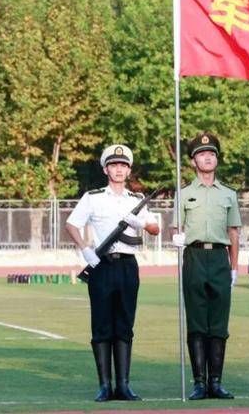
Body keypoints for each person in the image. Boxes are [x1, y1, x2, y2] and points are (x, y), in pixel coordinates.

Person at [65, 144, 161, 402]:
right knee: (102, 325)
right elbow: (72, 224)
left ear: (128, 170)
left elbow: (154, 229)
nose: (119, 170)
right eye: (114, 165)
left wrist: (140, 222)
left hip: (128, 266)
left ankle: (124, 386)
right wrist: (86, 251)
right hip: (102, 266)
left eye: (123, 166)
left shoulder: (137, 201)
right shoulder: (93, 197)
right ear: (106, 169)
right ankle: (104, 386)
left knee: (125, 325)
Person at [171, 132, 240, 400]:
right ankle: (199, 382)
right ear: (193, 161)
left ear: (217, 159)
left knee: (219, 323)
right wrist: (176, 238)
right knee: (198, 320)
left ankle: (216, 382)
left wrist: (234, 267)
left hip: (219, 257)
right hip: (195, 256)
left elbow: (234, 232)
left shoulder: (228, 194)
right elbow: (176, 228)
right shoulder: (184, 192)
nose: (207, 157)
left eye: (211, 153)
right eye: (201, 154)